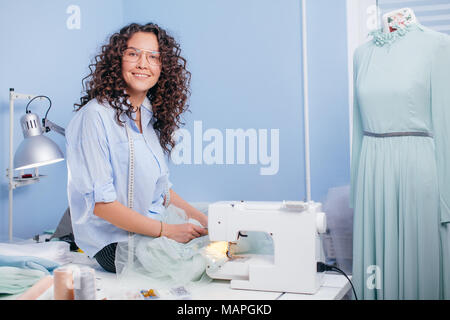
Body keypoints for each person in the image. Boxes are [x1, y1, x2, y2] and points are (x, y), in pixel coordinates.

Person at [65, 22, 208, 273]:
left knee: (218, 238)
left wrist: (206, 221)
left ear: (163, 68)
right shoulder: (95, 117)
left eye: (153, 57)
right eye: (133, 54)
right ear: (117, 61)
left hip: (150, 228)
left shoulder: (147, 115)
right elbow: (102, 204)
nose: (143, 63)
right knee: (202, 266)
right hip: (113, 244)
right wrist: (169, 231)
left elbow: (162, 191)